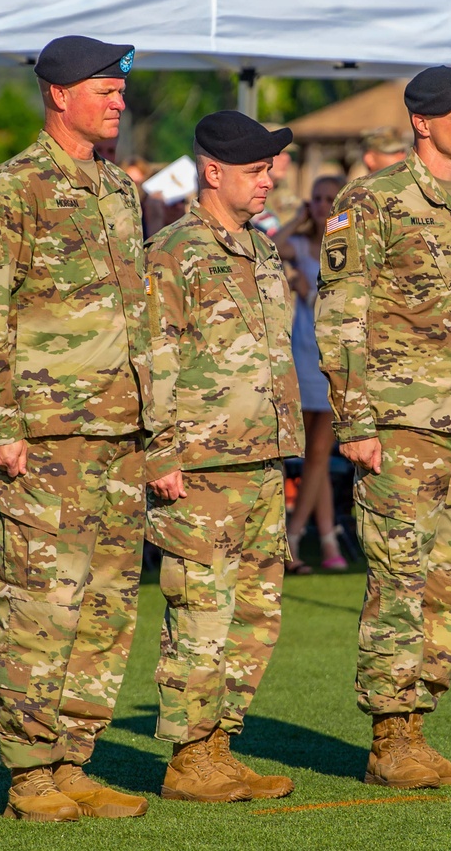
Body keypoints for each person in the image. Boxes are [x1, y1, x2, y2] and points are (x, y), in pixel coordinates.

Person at [0, 35, 152, 824]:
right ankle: (30, 774)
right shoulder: (13, 190)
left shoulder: (121, 191)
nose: (118, 101)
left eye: (120, 90)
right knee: (41, 606)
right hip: (43, 438)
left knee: (104, 609)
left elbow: (139, 317)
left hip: (119, 438)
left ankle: (74, 760)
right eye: (104, 89)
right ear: (58, 95)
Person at [315, 65, 451, 789]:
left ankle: (418, 726)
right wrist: (354, 417)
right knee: (399, 581)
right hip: (399, 424)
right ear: (423, 122)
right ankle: (389, 738)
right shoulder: (374, 198)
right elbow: (340, 311)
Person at [145, 110, 303, 803]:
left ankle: (219, 744)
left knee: (257, 613)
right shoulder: (174, 248)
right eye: (255, 170)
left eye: (270, 169)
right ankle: (187, 757)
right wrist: (161, 451)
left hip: (261, 459)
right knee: (201, 613)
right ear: (213, 172)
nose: (269, 180)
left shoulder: (262, 249)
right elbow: (153, 358)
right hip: (202, 466)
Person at [274, 174, 348, 572]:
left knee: (321, 450)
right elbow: (273, 246)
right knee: (305, 451)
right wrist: (301, 215)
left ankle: (298, 536)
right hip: (303, 353)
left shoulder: (348, 247)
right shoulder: (301, 245)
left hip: (334, 354)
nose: (321, 205)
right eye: (316, 199)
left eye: (328, 199)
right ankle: (321, 538)